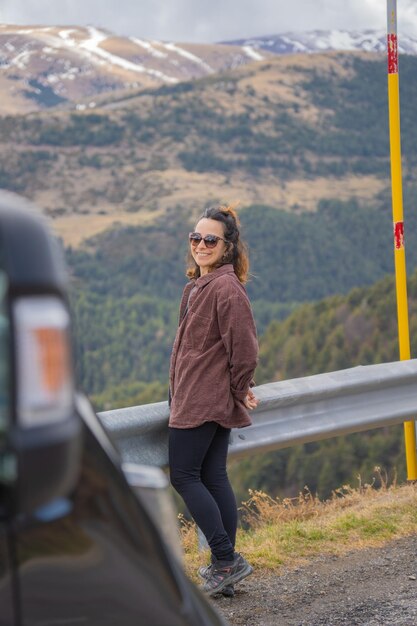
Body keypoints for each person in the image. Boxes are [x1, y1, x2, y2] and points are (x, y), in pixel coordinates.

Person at [168, 204, 259, 597]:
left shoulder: (226, 289)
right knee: (213, 476)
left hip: (202, 400)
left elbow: (245, 351)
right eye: (196, 238)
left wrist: (239, 388)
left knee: (183, 476)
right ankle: (226, 572)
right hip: (201, 395)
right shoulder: (195, 288)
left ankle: (225, 560)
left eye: (210, 240)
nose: (200, 245)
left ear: (227, 247)